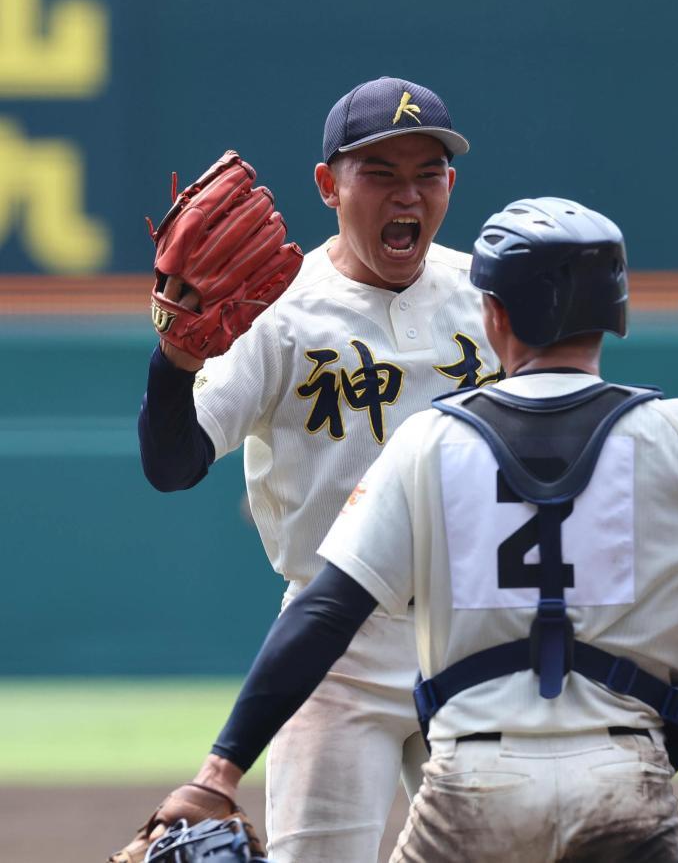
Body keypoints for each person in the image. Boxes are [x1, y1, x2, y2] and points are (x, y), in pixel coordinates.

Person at [132, 196, 678, 863]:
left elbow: (326, 610)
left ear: (492, 317)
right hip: (627, 781)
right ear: (615, 312)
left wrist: (219, 770)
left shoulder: (432, 441)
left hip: (475, 776)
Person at [133, 77, 506, 863]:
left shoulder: (488, 297)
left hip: (477, 631)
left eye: (426, 173)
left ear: (451, 184)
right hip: (331, 649)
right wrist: (172, 364)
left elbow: (572, 443)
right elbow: (172, 466)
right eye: (379, 173)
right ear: (328, 185)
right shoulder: (279, 313)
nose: (407, 193)